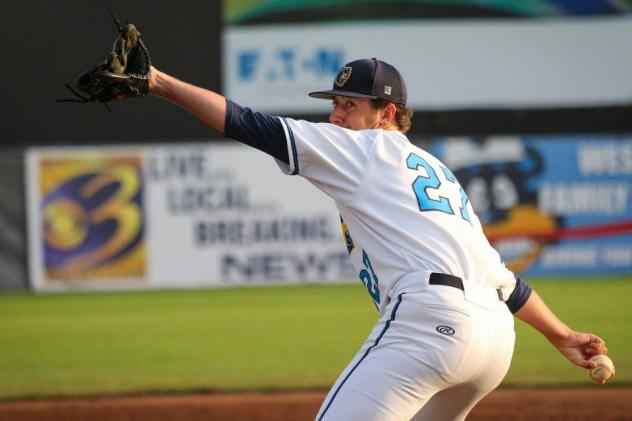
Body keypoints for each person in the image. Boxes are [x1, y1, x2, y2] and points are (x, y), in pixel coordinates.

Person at [147, 58, 608, 420]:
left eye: (350, 104)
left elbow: (248, 124)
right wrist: (562, 334)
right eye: (335, 103)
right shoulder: (437, 172)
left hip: (431, 325)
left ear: (387, 114)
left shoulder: (364, 147)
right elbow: (505, 281)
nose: (336, 115)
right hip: (493, 340)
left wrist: (159, 84)